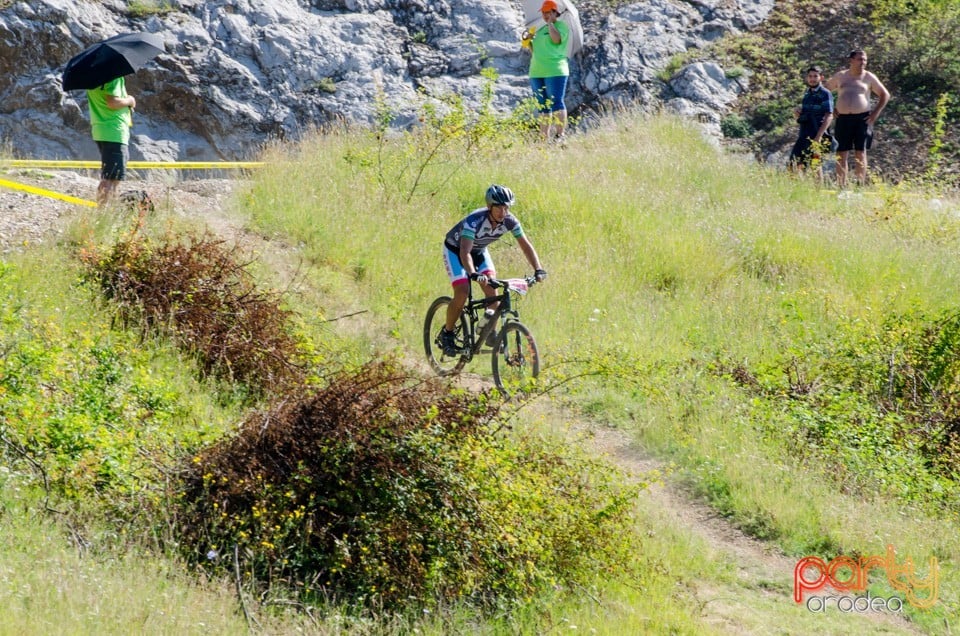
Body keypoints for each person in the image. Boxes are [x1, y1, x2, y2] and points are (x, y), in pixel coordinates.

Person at [440, 185, 547, 355]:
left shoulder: (510, 221)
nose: (503, 212)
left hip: (479, 252)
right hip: (456, 250)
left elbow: (526, 246)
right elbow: (465, 252)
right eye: (499, 207)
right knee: (462, 291)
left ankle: (489, 331)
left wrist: (538, 269)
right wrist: (473, 273)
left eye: (506, 207)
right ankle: (447, 333)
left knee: (493, 290)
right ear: (490, 206)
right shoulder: (474, 221)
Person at [824, 50, 890, 187]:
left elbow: (885, 95)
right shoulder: (841, 76)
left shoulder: (869, 77)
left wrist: (874, 114)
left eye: (865, 60)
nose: (863, 62)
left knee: (860, 152)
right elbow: (825, 92)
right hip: (843, 119)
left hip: (862, 119)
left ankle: (859, 185)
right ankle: (841, 185)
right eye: (860, 59)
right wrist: (831, 109)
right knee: (841, 152)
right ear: (851, 60)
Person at [86, 76, 136, 206]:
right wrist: (129, 101)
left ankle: (105, 211)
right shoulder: (114, 78)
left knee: (110, 176)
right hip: (115, 131)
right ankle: (104, 214)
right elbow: (112, 102)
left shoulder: (92, 79)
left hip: (101, 129)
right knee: (112, 178)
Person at [527, 0, 570, 142]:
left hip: (555, 70)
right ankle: (543, 137)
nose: (545, 15)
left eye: (548, 12)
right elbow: (535, 51)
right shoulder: (538, 29)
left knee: (556, 101)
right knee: (542, 104)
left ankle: (560, 135)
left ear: (554, 12)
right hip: (537, 71)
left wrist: (551, 23)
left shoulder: (562, 26)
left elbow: (556, 40)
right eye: (544, 13)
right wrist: (528, 42)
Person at [788, 66, 834, 180]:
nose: (812, 79)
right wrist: (799, 113)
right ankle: (798, 188)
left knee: (815, 164)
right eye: (810, 76)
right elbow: (807, 114)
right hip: (804, 133)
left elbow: (829, 115)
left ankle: (817, 192)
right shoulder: (807, 94)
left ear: (821, 78)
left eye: (815, 76)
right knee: (794, 162)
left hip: (817, 132)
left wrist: (819, 136)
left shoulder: (825, 93)